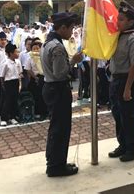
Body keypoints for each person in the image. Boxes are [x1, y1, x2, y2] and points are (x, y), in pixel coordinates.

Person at [41, 12, 82, 177]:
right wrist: (74, 61)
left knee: (56, 127)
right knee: (61, 128)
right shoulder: (57, 47)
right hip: (57, 89)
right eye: (71, 28)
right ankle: (56, 166)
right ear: (62, 27)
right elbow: (60, 73)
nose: (72, 32)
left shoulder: (49, 42)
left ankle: (54, 160)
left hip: (51, 88)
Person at [108, 2, 134, 162]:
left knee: (129, 116)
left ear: (130, 22)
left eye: (121, 19)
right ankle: (123, 144)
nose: (118, 22)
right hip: (116, 79)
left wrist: (128, 88)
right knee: (118, 114)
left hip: (128, 80)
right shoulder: (119, 35)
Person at [0, 43, 22, 126]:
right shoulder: (5, 63)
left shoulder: (18, 62)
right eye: (16, 52)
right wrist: (3, 86)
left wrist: (20, 84)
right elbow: (2, 76)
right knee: (7, 101)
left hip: (15, 82)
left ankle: (13, 117)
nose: (18, 54)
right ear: (11, 53)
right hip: (8, 83)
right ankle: (3, 118)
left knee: (14, 100)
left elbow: (19, 74)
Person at [25, 40, 47, 120]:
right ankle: (38, 112)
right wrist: (35, 77)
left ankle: (46, 112)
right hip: (35, 78)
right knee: (37, 96)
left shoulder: (43, 56)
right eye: (34, 48)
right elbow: (28, 69)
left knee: (45, 96)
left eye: (37, 48)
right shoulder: (30, 57)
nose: (36, 50)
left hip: (45, 78)